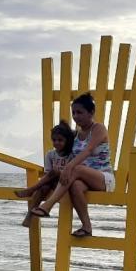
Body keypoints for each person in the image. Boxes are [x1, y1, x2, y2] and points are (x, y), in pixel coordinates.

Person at [29, 93, 115, 237]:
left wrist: (69, 168)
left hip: (103, 178)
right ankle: (87, 227)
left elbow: (88, 150)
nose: (75, 116)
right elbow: (61, 146)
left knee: (77, 169)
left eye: (80, 112)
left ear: (91, 112)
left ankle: (47, 206)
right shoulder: (75, 135)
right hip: (82, 179)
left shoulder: (99, 129)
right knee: (75, 186)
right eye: (73, 112)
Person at [15, 120, 75, 227]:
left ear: (67, 141)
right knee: (43, 188)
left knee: (55, 172)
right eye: (54, 140)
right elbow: (47, 174)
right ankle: (29, 216)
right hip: (52, 182)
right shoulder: (50, 155)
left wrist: (58, 173)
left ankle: (30, 190)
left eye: (60, 140)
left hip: (66, 184)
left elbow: (71, 174)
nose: (56, 142)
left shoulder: (72, 155)